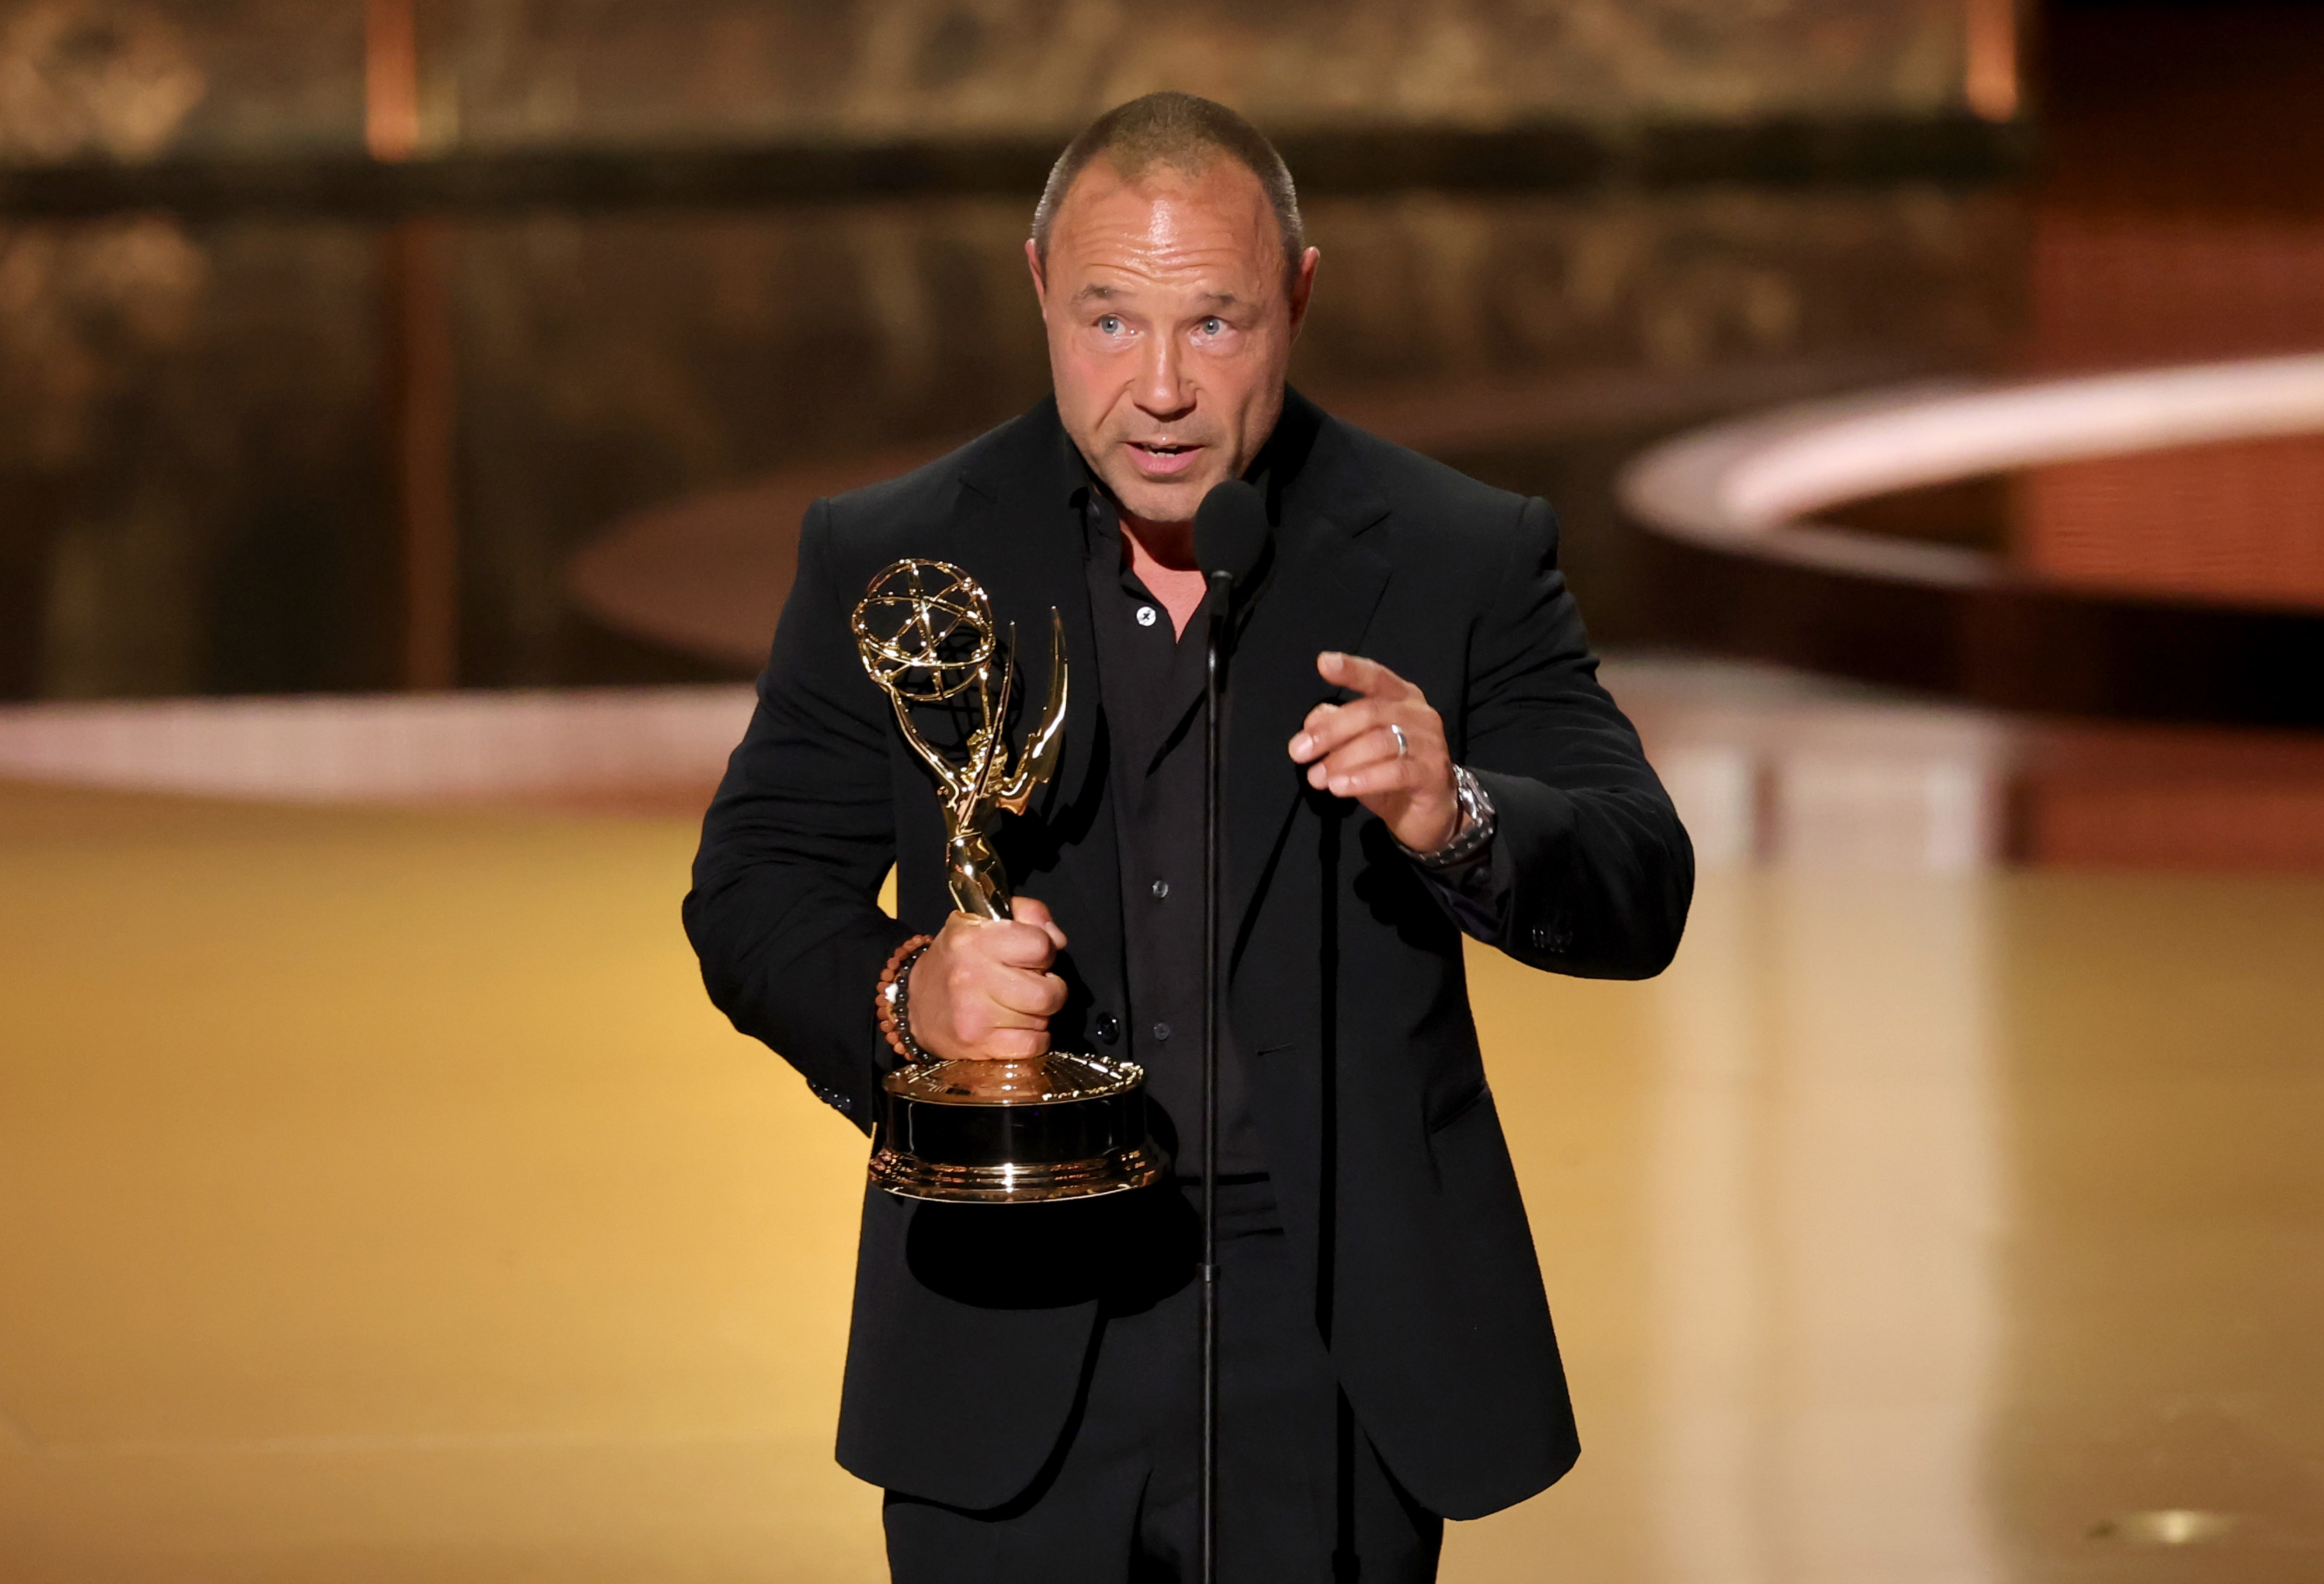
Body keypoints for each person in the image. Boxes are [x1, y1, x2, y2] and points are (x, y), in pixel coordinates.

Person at [686, 91, 1692, 1584]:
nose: (1158, 389)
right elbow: (753, 890)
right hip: (1002, 1318)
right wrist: (909, 997)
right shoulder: (897, 555)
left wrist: (1456, 814)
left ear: (1299, 297)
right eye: (1110, 323)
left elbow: (1639, 880)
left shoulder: (1458, 551)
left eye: (1213, 325)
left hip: (1332, 1351)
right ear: (1039, 288)